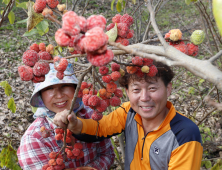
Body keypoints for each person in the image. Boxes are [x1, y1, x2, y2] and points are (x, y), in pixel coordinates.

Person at [54, 61, 203, 170]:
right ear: (127, 92)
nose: (144, 97)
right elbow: (100, 128)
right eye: (136, 90)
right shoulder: (128, 112)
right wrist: (75, 124)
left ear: (168, 89)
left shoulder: (185, 134)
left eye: (152, 88)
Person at [17, 63, 115, 170]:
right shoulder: (34, 139)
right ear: (40, 96)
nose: (59, 95)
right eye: (49, 88)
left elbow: (108, 154)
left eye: (65, 86)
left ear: (75, 89)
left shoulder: (91, 115)